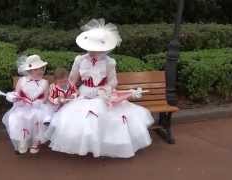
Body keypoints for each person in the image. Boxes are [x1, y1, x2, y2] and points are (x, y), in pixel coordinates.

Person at [45, 19, 154, 158]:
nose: (92, 51)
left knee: (104, 116)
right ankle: (87, 146)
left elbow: (113, 81)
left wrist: (106, 89)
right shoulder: (80, 60)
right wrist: (67, 93)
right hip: (83, 93)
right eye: (90, 48)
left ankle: (103, 147)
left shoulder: (109, 62)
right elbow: (72, 80)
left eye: (96, 48)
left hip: (101, 94)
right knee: (81, 117)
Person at [1, 55, 51, 154]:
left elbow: (46, 97)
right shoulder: (22, 81)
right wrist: (15, 98)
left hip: (38, 107)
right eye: (37, 69)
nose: (40, 71)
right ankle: (23, 141)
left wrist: (40, 102)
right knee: (17, 118)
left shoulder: (45, 82)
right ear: (30, 71)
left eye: (41, 69)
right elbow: (17, 94)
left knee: (38, 119)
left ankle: (35, 143)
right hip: (23, 107)